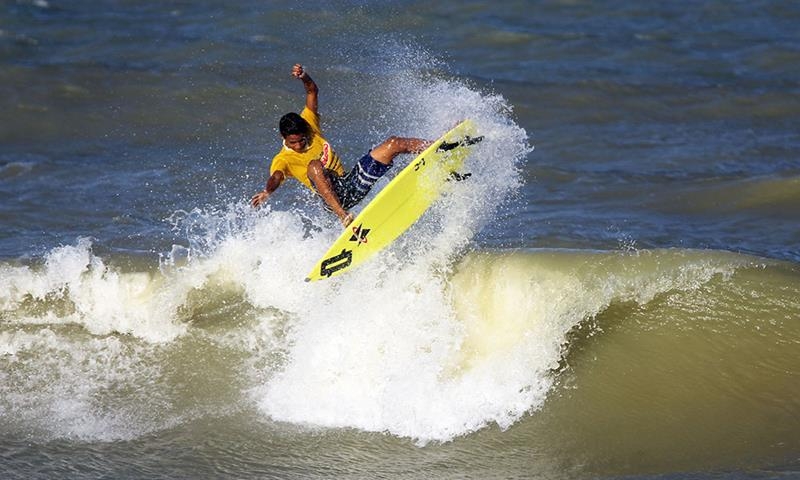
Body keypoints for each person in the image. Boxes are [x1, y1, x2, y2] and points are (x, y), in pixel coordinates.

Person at [250, 64, 430, 227]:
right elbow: (276, 176)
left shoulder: (309, 124)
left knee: (394, 143)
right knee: (314, 166)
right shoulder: (283, 159)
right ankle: (345, 218)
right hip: (333, 201)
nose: (298, 145)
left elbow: (312, 92)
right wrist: (267, 191)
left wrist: (304, 76)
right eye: (293, 142)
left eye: (301, 140)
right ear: (283, 137)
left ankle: (437, 145)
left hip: (350, 184)